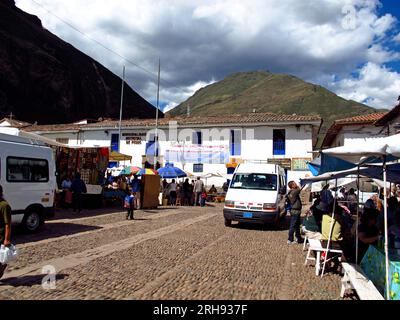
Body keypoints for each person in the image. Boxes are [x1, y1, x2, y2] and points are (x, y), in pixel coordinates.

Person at [0, 185, 11, 279]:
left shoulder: (4, 205)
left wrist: (6, 239)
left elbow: (7, 224)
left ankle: (2, 267)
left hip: (1, 236)